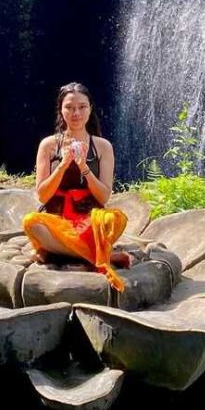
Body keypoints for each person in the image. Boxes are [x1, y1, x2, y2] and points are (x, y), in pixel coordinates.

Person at [22, 82, 130, 292]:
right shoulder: (48, 145)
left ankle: (54, 251)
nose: (76, 113)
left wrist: (83, 167)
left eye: (82, 107)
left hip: (89, 218)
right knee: (31, 222)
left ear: (90, 109)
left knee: (112, 220)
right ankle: (104, 255)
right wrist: (62, 165)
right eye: (69, 107)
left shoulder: (102, 146)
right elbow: (43, 196)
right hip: (58, 217)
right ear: (61, 110)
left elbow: (104, 196)